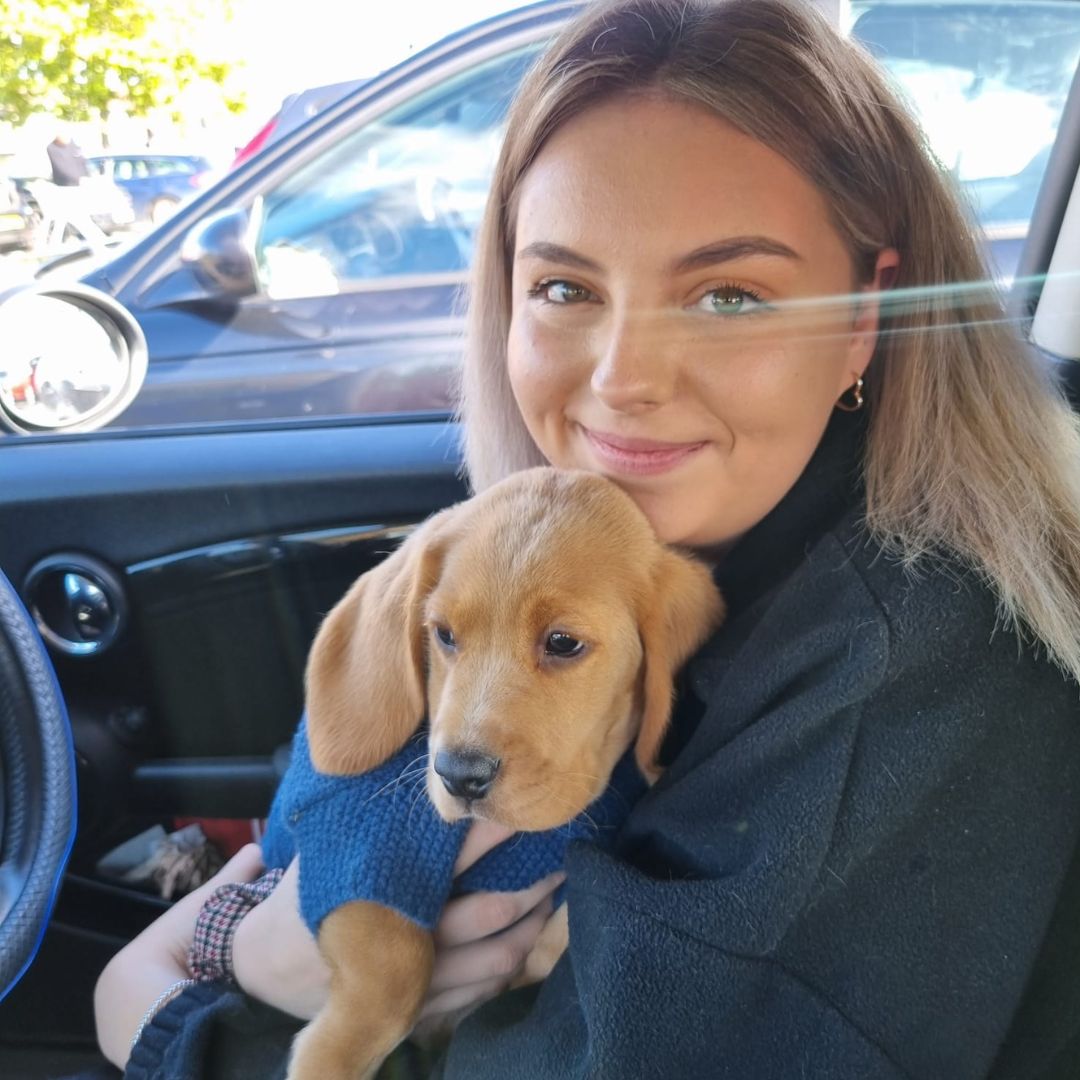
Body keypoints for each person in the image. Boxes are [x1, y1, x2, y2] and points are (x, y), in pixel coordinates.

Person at [89, 0, 1080, 1076]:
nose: (622, 381)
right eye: (564, 286)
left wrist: (159, 1010)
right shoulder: (670, 547)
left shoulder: (910, 661)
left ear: (862, 317)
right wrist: (251, 940)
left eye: (731, 296)